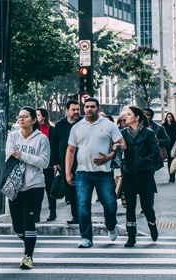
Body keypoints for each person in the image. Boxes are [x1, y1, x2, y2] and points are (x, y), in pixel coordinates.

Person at [65, 98, 126, 248]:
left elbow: (122, 144)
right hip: (82, 173)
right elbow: (71, 151)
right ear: (84, 109)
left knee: (110, 204)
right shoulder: (77, 127)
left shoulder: (109, 125)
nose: (89, 109)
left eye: (93, 106)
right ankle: (86, 237)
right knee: (83, 205)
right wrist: (67, 172)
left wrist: (109, 156)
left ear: (98, 108)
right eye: (87, 107)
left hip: (104, 173)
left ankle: (111, 226)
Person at [6, 106, 50, 269]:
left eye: (25, 116)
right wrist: (29, 158)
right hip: (15, 186)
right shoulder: (12, 136)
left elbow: (44, 162)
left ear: (33, 120)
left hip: (35, 185)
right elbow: (9, 158)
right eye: (19, 116)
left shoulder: (41, 139)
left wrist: (23, 155)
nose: (21, 119)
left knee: (28, 222)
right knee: (18, 227)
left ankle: (27, 256)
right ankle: (29, 243)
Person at [120, 106, 160, 247]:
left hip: (144, 173)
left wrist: (143, 160)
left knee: (146, 206)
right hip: (129, 174)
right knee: (130, 207)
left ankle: (152, 224)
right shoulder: (123, 133)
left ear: (137, 117)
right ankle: (131, 236)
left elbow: (156, 153)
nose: (126, 116)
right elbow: (119, 151)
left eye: (129, 114)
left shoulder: (148, 133)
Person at [51, 99, 83, 224]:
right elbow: (54, 145)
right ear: (67, 110)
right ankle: (75, 216)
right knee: (70, 191)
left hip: (82, 162)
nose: (76, 112)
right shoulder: (59, 125)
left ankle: (83, 216)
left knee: (82, 191)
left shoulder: (83, 123)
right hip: (66, 164)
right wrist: (56, 162)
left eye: (78, 109)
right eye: (73, 109)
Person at [36, 108, 56, 222]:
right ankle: (36, 213)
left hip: (48, 164)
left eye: (38, 115)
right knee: (36, 189)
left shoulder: (51, 129)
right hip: (36, 164)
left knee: (49, 189)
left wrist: (55, 163)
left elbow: (53, 147)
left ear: (44, 117)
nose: (36, 117)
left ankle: (53, 211)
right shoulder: (33, 130)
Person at [143, 108, 171, 173]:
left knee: (149, 176)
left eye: (147, 115)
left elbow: (167, 140)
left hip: (152, 156)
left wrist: (158, 141)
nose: (145, 116)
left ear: (152, 117)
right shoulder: (137, 127)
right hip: (141, 156)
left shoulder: (159, 128)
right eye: (143, 114)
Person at [162, 113, 176, 182]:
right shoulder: (164, 126)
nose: (169, 118)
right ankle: (171, 175)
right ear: (166, 118)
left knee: (175, 159)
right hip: (167, 145)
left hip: (175, 144)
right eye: (168, 117)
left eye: (171, 117)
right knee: (169, 161)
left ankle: (174, 175)